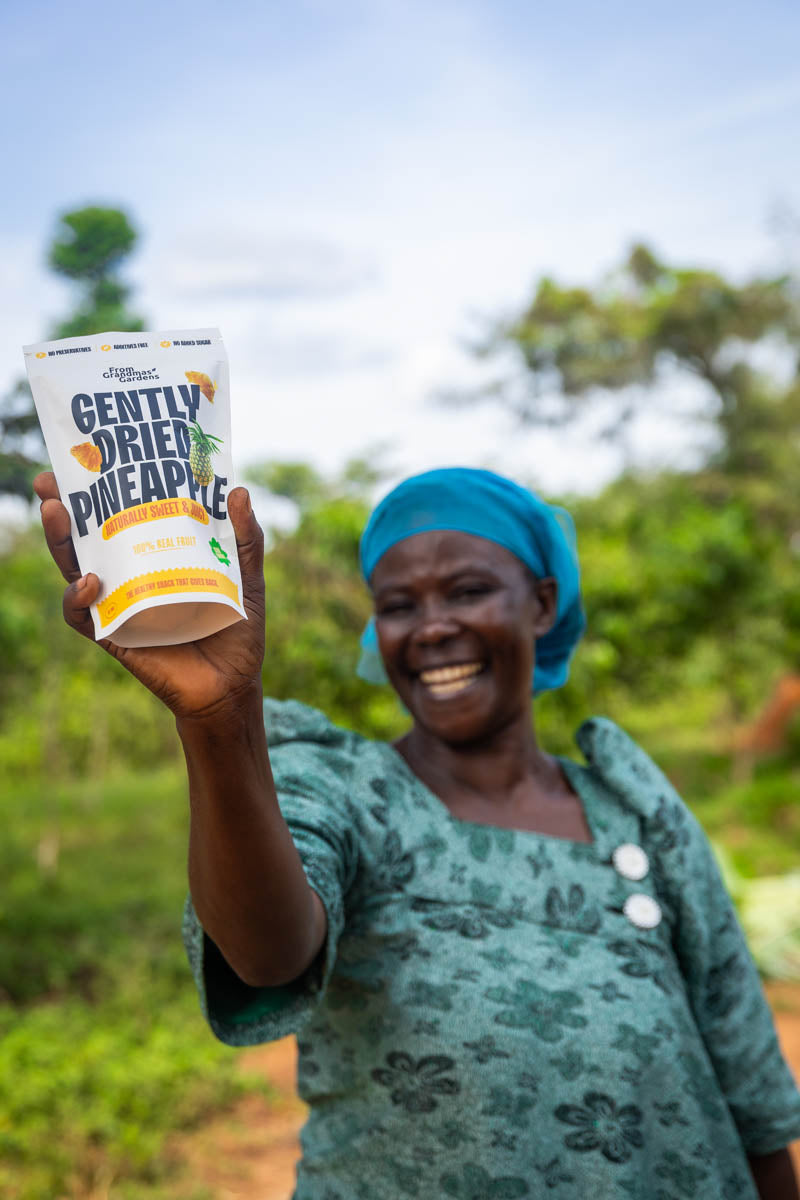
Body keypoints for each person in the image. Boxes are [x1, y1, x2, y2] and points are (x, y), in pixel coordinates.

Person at [35, 465, 800, 1199]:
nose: (433, 628)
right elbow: (268, 952)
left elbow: (752, 1096)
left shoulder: (636, 812)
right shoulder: (343, 790)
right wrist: (217, 720)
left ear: (540, 604)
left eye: (468, 591)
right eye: (400, 605)